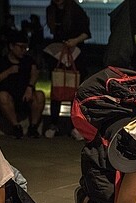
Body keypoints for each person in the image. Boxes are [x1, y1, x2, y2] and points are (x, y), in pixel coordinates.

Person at [44, 0, 91, 138]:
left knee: (74, 91)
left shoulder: (76, 10)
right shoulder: (51, 10)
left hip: (75, 53)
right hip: (58, 52)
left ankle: (74, 126)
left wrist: (74, 41)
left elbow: (86, 33)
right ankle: (54, 124)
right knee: (57, 88)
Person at [0, 31, 45, 138]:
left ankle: (33, 127)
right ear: (11, 46)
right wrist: (8, 72)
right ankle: (16, 127)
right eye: (21, 47)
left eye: (26, 48)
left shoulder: (28, 61)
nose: (23, 51)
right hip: (9, 97)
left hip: (25, 97)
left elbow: (35, 73)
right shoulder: (1, 61)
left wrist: (30, 87)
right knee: (2, 96)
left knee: (39, 95)